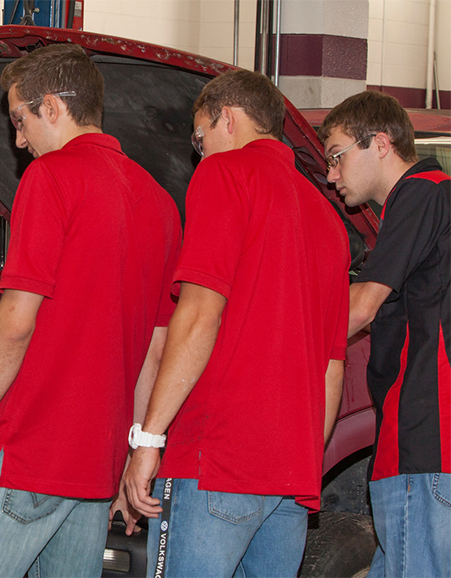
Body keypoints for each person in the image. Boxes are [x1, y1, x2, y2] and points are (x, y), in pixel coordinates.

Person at [0, 43, 181, 578]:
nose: (17, 140)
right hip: (94, 468)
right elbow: (154, 350)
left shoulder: (51, 177)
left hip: (28, 454)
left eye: (20, 120)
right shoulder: (159, 203)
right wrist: (130, 454)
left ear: (54, 107)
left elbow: (17, 322)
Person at [122, 70, 350, 578]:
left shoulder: (225, 174)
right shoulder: (329, 218)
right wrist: (305, 459)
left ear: (228, 118)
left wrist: (149, 440)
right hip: (291, 477)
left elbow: (199, 313)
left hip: (217, 460)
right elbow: (333, 366)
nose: (199, 154)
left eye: (199, 139)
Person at [318, 91, 450, 578]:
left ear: (379, 143)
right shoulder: (428, 204)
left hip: (423, 440)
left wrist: (275, 333)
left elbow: (362, 307)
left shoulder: (423, 192)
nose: (331, 175)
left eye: (336, 156)